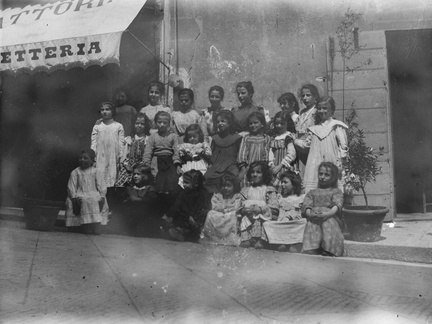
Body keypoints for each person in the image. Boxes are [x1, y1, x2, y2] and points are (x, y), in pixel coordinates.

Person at [300, 96, 348, 193]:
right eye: (319, 108)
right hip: (315, 161)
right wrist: (296, 140)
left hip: (332, 159)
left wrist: (340, 163)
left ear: (332, 110)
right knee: (314, 183)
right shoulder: (314, 129)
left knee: (332, 185)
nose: (322, 111)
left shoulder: (336, 126)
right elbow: (306, 144)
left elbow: (343, 146)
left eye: (325, 108)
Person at [142, 111, 182, 213]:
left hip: (170, 161)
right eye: (159, 122)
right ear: (155, 123)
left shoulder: (173, 136)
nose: (162, 125)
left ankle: (169, 210)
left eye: (165, 122)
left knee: (171, 183)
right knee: (157, 182)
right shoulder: (153, 137)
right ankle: (158, 211)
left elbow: (176, 151)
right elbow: (148, 152)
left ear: (169, 123)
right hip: (157, 161)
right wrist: (146, 164)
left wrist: (177, 164)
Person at [302, 162, 345, 257]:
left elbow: (337, 205)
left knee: (328, 224)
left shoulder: (335, 191)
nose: (322, 177)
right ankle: (312, 247)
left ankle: (330, 248)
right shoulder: (312, 192)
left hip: (330, 217)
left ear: (333, 177)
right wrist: (310, 214)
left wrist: (328, 214)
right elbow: (307, 205)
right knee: (312, 223)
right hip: (315, 216)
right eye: (320, 174)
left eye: (327, 175)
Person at [65, 149, 109, 235]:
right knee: (84, 201)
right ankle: (85, 226)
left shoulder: (96, 172)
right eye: (80, 158)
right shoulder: (75, 172)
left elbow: (101, 186)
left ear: (92, 160)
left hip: (93, 192)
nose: (82, 160)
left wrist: (102, 196)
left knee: (94, 200)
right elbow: (71, 186)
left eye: (85, 158)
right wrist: (74, 198)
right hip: (79, 193)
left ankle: (95, 225)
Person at [237, 161, 278, 249]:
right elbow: (239, 205)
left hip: (263, 215)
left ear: (265, 174)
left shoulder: (269, 190)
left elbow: (274, 208)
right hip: (249, 215)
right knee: (244, 219)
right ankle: (246, 239)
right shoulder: (246, 190)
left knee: (260, 219)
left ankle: (261, 240)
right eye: (252, 172)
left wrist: (261, 209)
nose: (255, 175)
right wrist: (243, 210)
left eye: (258, 172)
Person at [91, 101, 125, 208]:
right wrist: (94, 156)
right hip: (100, 157)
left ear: (113, 111)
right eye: (102, 110)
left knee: (112, 179)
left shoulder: (118, 126)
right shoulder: (97, 127)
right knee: (100, 181)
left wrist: (120, 157)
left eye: (107, 109)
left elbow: (121, 143)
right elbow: (93, 142)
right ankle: (100, 207)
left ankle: (111, 207)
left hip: (113, 157)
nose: (105, 112)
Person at [164, 170, 212, 242]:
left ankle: (188, 233)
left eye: (186, 182)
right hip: (186, 216)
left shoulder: (202, 193)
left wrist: (192, 216)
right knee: (176, 218)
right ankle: (181, 231)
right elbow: (176, 205)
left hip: (196, 216)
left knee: (198, 222)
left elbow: (200, 205)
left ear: (196, 183)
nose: (184, 185)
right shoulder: (184, 192)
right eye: (183, 182)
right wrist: (168, 215)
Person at [262, 171, 306, 252]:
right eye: (281, 182)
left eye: (285, 182)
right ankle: (281, 243)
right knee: (267, 224)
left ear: (294, 184)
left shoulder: (301, 197)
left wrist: (293, 216)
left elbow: (302, 212)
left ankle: (296, 244)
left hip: (294, 223)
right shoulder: (280, 197)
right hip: (282, 224)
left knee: (304, 223)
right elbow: (274, 209)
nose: (282, 185)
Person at [114, 165, 159, 237]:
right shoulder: (130, 188)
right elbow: (120, 199)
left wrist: (140, 199)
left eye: (138, 174)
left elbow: (152, 200)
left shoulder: (149, 188)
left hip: (143, 214)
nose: (135, 176)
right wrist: (127, 199)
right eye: (134, 174)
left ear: (145, 176)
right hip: (131, 213)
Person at [204, 110, 242, 193]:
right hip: (216, 165)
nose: (220, 124)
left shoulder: (237, 138)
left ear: (230, 122)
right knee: (207, 177)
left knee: (231, 178)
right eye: (218, 122)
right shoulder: (215, 138)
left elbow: (240, 155)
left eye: (223, 121)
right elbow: (212, 154)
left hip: (231, 165)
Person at [202, 172, 244, 245]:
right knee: (210, 213)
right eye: (223, 186)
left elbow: (236, 207)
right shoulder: (217, 196)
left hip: (229, 215)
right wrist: (223, 209)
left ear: (234, 186)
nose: (226, 188)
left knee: (234, 215)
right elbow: (214, 206)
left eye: (229, 186)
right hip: (219, 214)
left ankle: (230, 238)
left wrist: (226, 210)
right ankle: (213, 237)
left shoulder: (237, 196)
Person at [115, 113, 151, 188]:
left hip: (141, 167)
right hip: (129, 166)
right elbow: (124, 156)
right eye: (137, 123)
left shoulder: (148, 140)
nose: (139, 126)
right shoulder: (129, 139)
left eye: (142, 124)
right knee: (121, 184)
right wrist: (126, 165)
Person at [237, 112, 272, 187]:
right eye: (250, 123)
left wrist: (263, 168)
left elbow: (266, 155)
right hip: (248, 169)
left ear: (262, 124)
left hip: (261, 170)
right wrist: (243, 170)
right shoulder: (246, 138)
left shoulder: (266, 138)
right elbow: (241, 155)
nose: (253, 125)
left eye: (255, 123)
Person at [294, 84, 320, 177]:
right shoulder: (302, 112)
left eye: (308, 95)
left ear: (315, 96)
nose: (305, 98)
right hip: (300, 148)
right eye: (303, 95)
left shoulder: (317, 111)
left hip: (311, 146)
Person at [268, 110, 297, 190]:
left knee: (284, 185)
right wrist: (272, 164)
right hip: (274, 167)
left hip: (285, 166)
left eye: (282, 123)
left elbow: (292, 154)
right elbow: (270, 152)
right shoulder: (273, 138)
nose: (279, 126)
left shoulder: (288, 137)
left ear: (288, 123)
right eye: (277, 123)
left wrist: (280, 166)